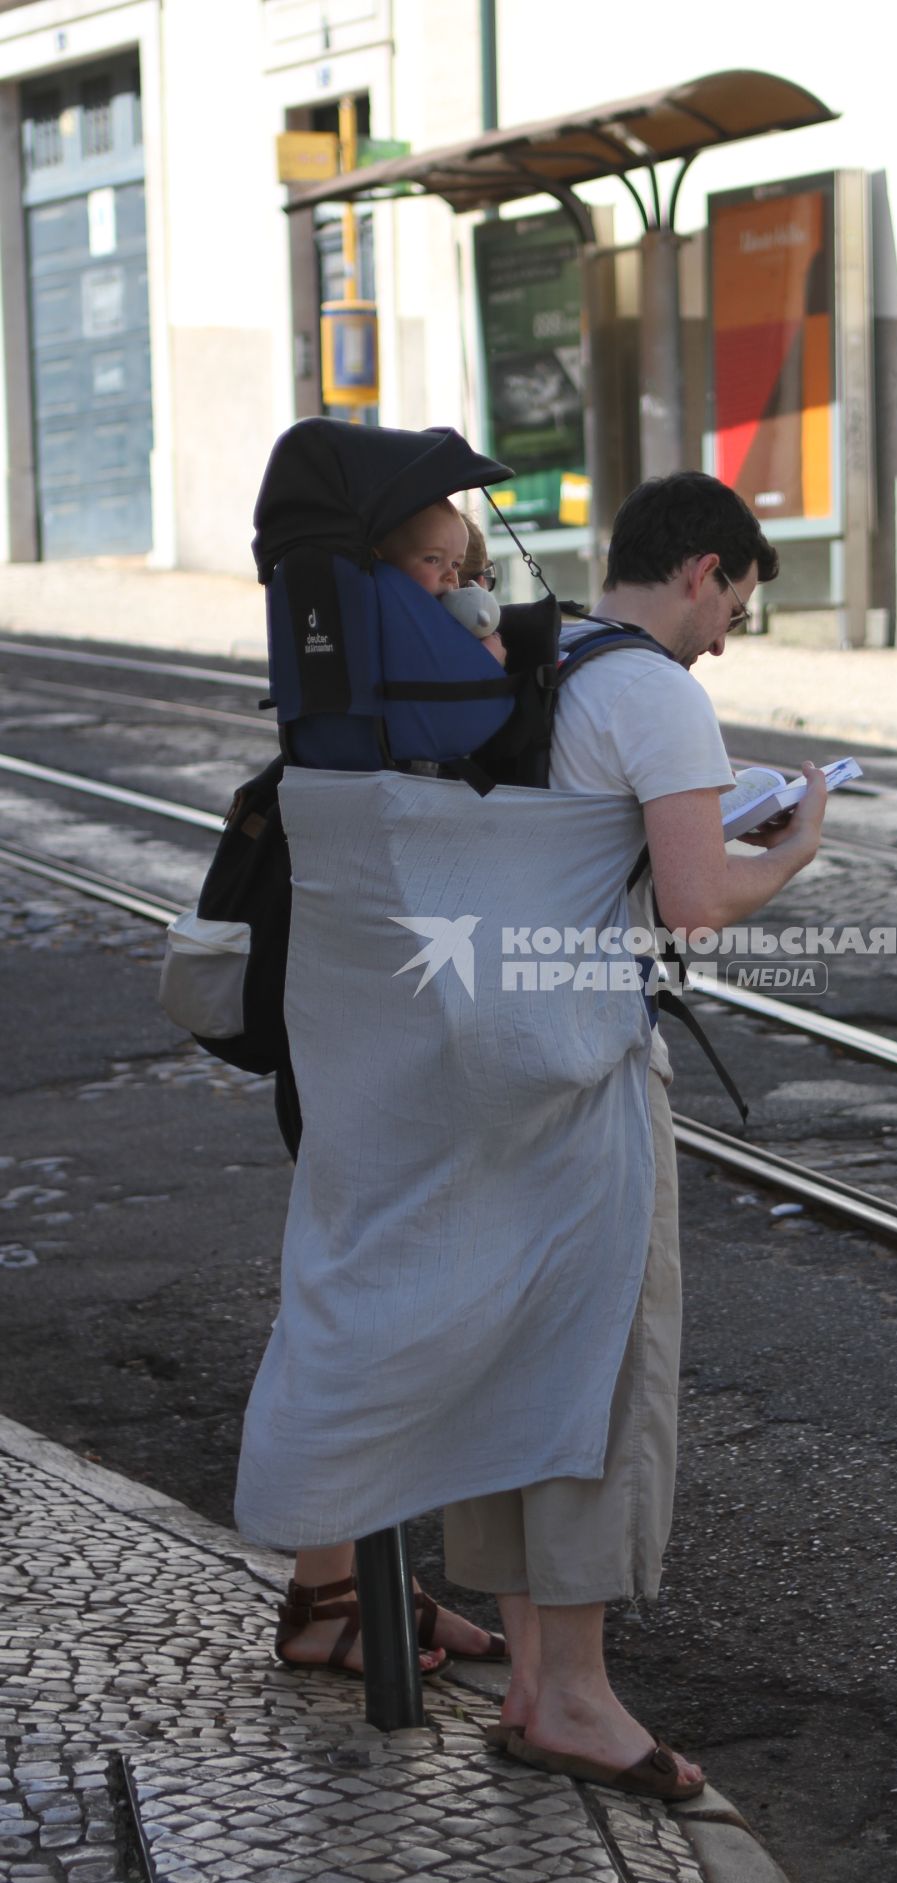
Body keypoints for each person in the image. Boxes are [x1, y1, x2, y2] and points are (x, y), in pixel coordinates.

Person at [440, 472, 828, 1798]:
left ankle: (539, 1682)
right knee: (607, 1361)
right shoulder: (659, 693)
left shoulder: (520, 656)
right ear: (705, 570)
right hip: (587, 1068)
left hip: (477, 1058)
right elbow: (696, 903)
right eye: (736, 607)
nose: (727, 637)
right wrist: (798, 845)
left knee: (515, 1356)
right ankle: (584, 1698)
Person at [274, 487, 511, 1679]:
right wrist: (481, 644)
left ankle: (346, 1590)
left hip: (340, 1036)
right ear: (374, 564)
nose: (452, 588)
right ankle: (336, 1599)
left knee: (352, 1297)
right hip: (366, 1047)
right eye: (434, 565)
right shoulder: (389, 660)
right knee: (366, 1308)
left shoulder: (346, 658)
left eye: (462, 567)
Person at [377, 498, 504, 662]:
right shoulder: (397, 626)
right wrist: (485, 661)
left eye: (455, 564)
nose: (451, 575)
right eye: (432, 559)